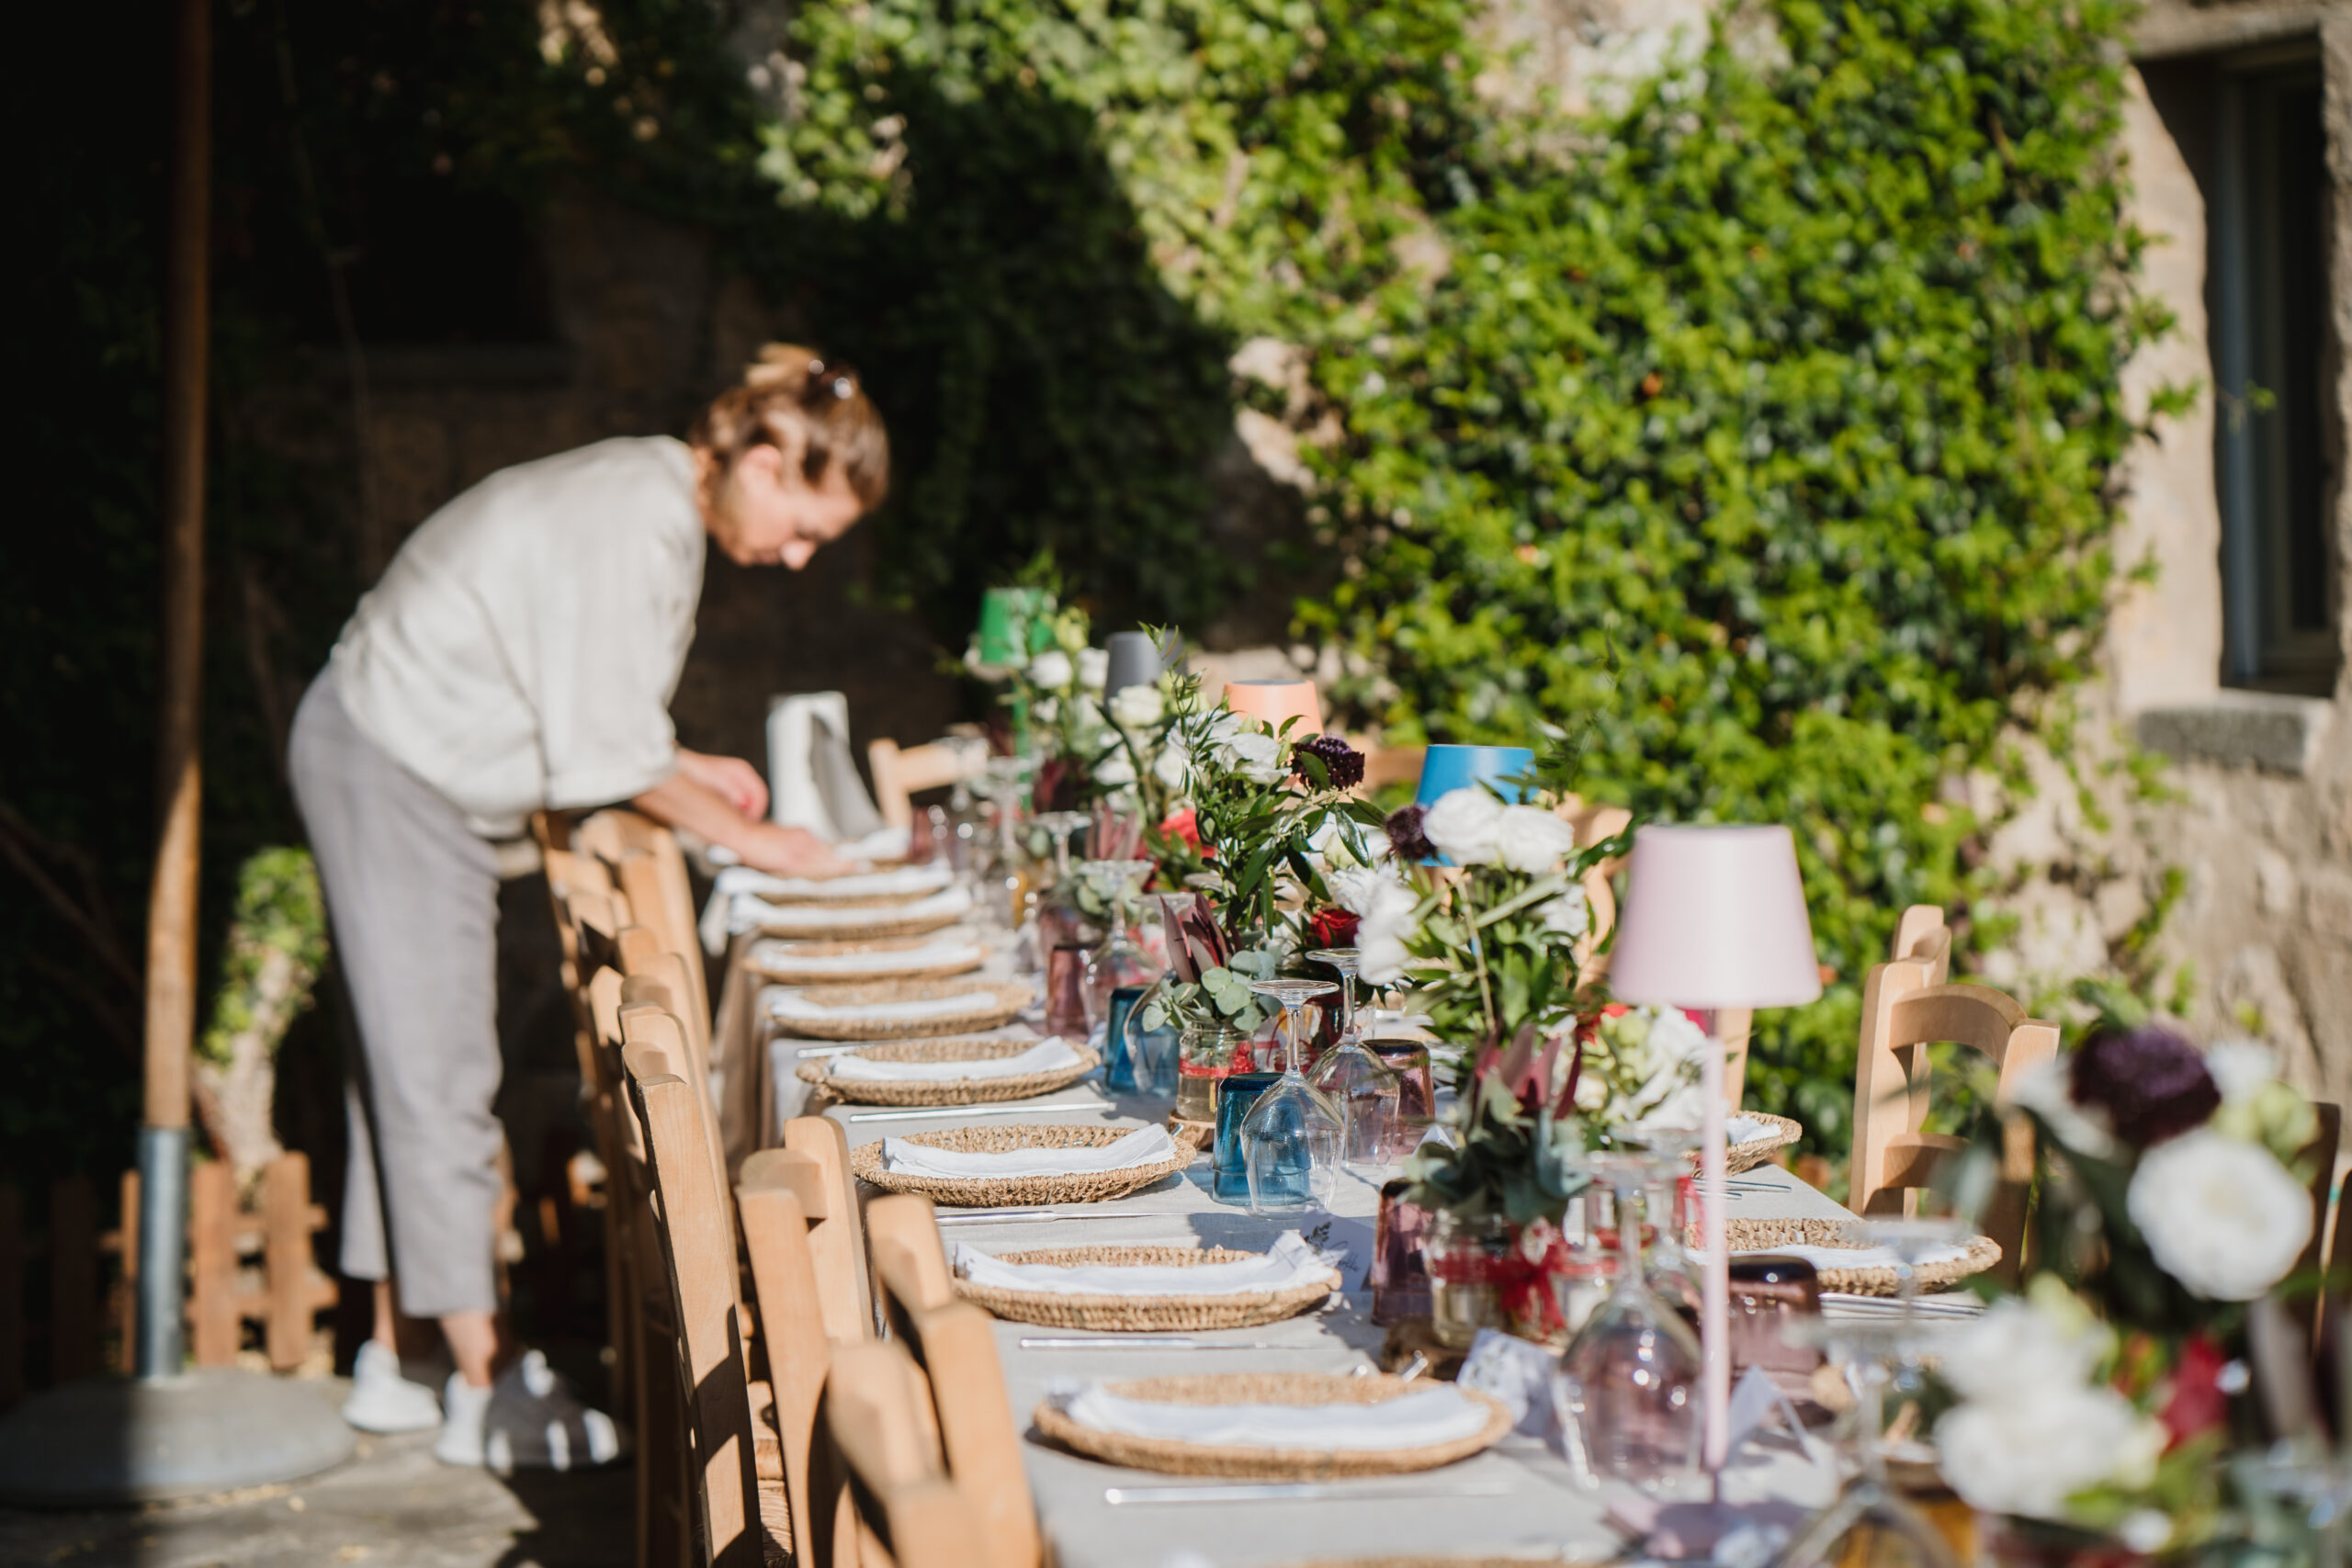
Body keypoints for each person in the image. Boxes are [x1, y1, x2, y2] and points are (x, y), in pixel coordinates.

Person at [288, 344, 887, 1469]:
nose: (799, 556)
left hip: (396, 756)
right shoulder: (635, 517)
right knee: (436, 1078)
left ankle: (401, 1360)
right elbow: (602, 749)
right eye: (805, 527)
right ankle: (485, 1390)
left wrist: (689, 766)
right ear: (764, 463)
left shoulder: (649, 498)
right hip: (393, 761)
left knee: (404, 1075)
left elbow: (592, 709)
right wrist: (764, 844)